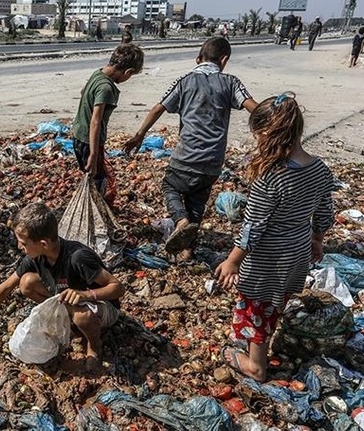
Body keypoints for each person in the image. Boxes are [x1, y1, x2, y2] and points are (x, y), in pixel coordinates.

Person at [215, 93, 334, 382]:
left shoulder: (271, 177)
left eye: (258, 135)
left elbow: (253, 227)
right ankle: (258, 346)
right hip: (297, 252)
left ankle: (256, 365)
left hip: (268, 259)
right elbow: (324, 212)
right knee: (274, 303)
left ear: (269, 134)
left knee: (256, 306)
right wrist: (317, 240)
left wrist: (232, 261)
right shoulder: (319, 169)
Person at [123, 38, 258, 261]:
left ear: (198, 59)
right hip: (213, 162)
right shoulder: (231, 82)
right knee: (197, 201)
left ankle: (180, 221)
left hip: (186, 156)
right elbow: (253, 107)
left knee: (170, 187)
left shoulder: (184, 82)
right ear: (224, 60)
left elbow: (159, 108)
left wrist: (139, 136)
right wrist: (274, 126)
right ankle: (187, 250)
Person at [0, 203, 124, 371]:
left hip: (102, 307)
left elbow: (118, 287)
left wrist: (85, 295)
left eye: (24, 243)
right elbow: (6, 287)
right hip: (66, 298)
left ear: (43, 244)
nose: (20, 247)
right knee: (26, 283)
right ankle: (69, 319)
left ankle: (94, 346)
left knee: (82, 316)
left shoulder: (77, 257)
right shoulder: (36, 256)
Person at [72, 44, 145, 194]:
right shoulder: (105, 88)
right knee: (97, 179)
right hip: (89, 141)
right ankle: (94, 211)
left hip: (78, 135)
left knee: (90, 175)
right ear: (128, 71)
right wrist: (93, 154)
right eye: (130, 75)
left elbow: (83, 91)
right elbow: (95, 121)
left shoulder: (97, 74)